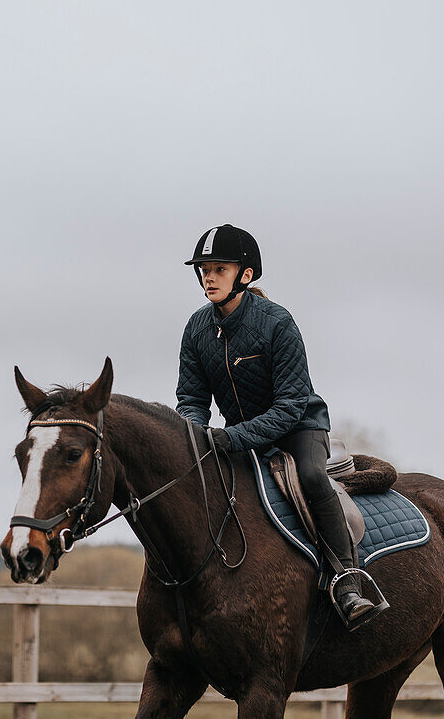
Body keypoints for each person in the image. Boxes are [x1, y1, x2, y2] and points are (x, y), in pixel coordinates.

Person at [175, 224, 386, 627]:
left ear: (246, 274)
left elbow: (290, 405)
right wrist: (192, 436)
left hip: (299, 427)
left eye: (220, 268)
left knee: (310, 475)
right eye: (204, 269)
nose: (209, 276)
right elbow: (192, 400)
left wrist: (231, 437)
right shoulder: (196, 329)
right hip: (240, 436)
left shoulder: (277, 323)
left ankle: (347, 580)